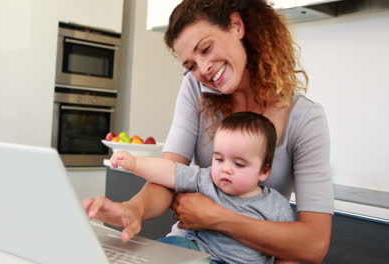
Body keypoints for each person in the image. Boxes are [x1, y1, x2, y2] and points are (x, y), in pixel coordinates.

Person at [83, 0, 333, 263]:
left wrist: (218, 218)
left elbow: (313, 244)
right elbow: (170, 176)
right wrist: (133, 209)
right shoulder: (195, 89)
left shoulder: (305, 118)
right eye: (190, 65)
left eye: (206, 48)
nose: (202, 70)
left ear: (236, 26)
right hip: (191, 247)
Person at [107, 112, 297, 264]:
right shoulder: (205, 179)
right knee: (159, 250)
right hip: (192, 250)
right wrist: (135, 163)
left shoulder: (277, 206)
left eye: (239, 164)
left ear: (263, 171)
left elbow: (286, 251)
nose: (226, 169)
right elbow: (170, 172)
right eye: (219, 159)